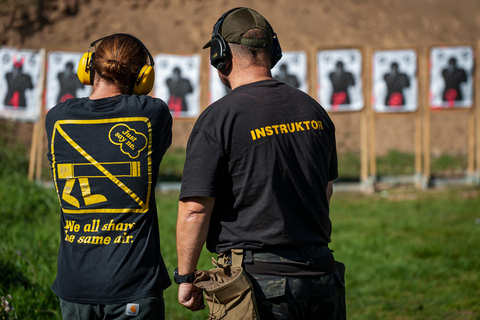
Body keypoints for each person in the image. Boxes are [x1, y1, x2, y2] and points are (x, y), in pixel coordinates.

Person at [176, 7, 343, 319]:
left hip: (257, 286)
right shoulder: (315, 111)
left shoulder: (217, 119)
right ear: (274, 52)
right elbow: (326, 190)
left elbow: (194, 210)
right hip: (321, 276)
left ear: (220, 56)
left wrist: (186, 278)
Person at [45, 33, 172, 319]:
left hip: (75, 285)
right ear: (143, 77)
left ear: (88, 68)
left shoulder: (57, 118)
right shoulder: (153, 114)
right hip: (133, 286)